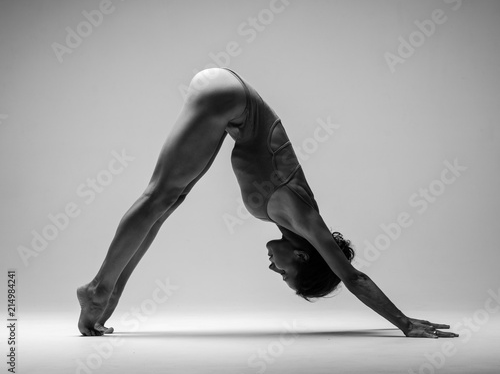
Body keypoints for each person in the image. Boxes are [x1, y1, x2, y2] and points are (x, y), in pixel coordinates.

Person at [77, 67, 458, 339]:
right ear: (304, 257)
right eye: (285, 274)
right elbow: (354, 278)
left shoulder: (287, 220)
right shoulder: (304, 217)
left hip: (231, 105)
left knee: (168, 202)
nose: (274, 270)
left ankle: (109, 291)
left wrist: (119, 290)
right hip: (228, 97)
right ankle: (97, 286)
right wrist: (404, 323)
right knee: (158, 195)